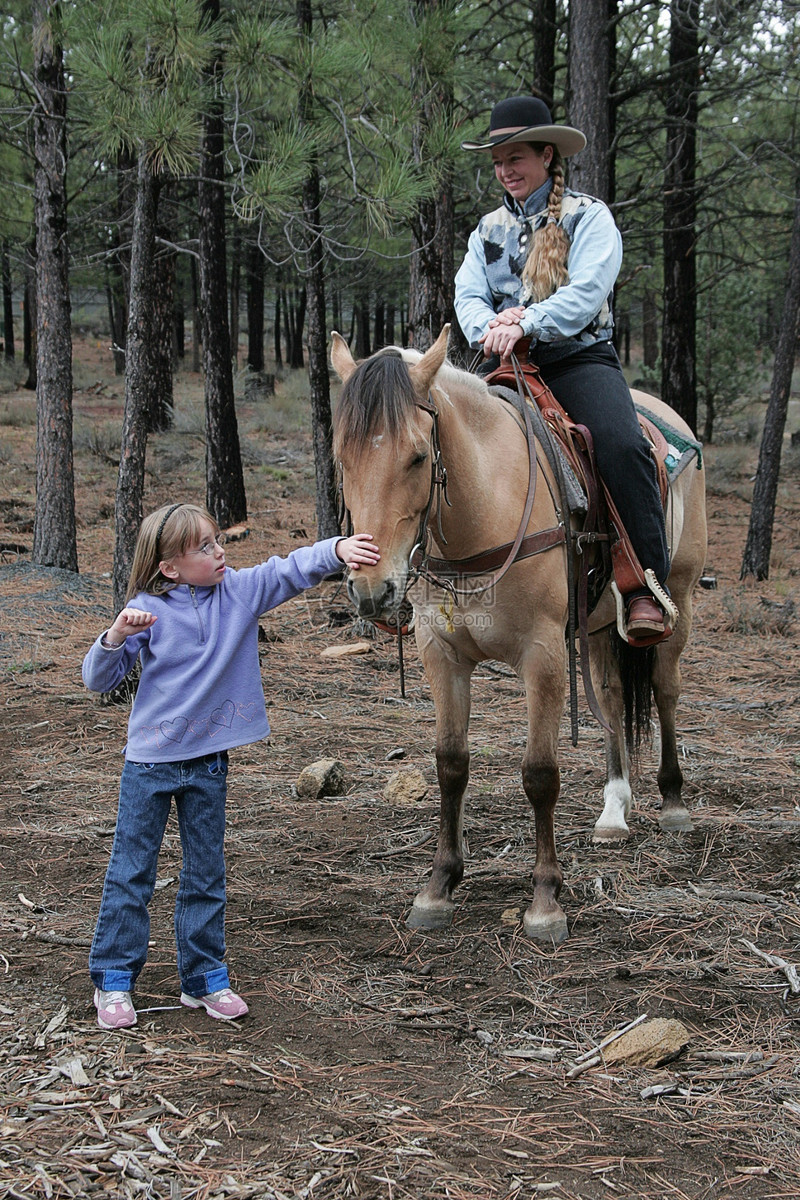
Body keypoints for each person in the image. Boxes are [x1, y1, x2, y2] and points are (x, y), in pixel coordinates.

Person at [83, 502, 380, 1030]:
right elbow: (98, 680)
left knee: (205, 872)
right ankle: (113, 979)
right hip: (149, 763)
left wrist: (336, 550)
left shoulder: (238, 593)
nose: (220, 552)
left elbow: (286, 569)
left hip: (208, 764)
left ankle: (203, 979)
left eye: (218, 541)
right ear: (169, 566)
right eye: (203, 547)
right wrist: (116, 636)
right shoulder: (145, 610)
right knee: (131, 872)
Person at [454, 95, 672, 640]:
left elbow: (587, 293)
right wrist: (489, 328)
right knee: (442, 439)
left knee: (621, 445)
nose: (506, 171)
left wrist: (525, 320)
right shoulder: (487, 230)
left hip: (576, 361)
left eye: (517, 158)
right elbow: (467, 295)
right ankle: (429, 579)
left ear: (548, 156)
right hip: (506, 362)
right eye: (499, 162)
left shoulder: (589, 216)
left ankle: (645, 583)